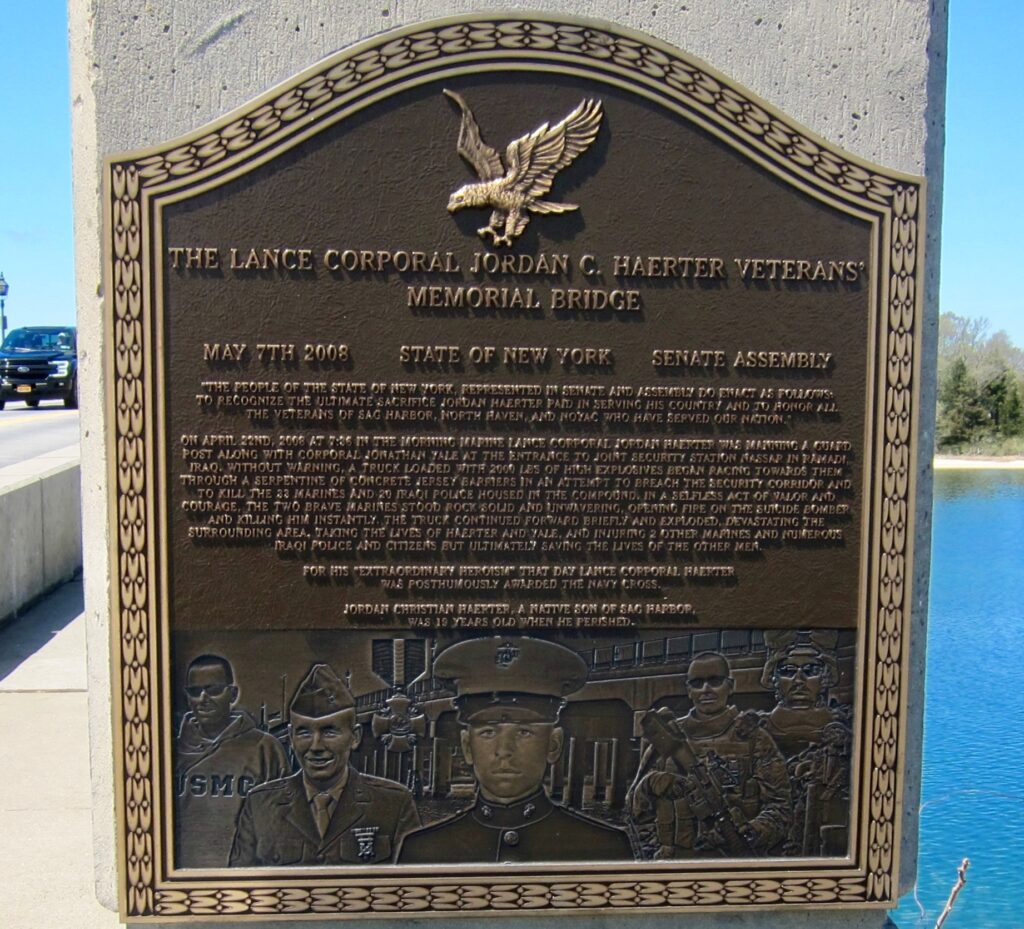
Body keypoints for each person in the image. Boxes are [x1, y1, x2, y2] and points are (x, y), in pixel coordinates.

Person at [397, 636, 633, 864]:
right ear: (467, 747)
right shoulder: (419, 851)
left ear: (554, 745)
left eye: (524, 732)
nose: (504, 750)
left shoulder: (610, 848)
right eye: (488, 732)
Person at [229, 663, 419, 866]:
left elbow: (419, 879)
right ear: (291, 738)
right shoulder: (259, 805)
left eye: (329, 732)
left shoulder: (394, 804)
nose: (316, 746)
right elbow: (239, 881)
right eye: (304, 733)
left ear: (355, 737)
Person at [628, 651, 791, 859]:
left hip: (732, 857)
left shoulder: (755, 738)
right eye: (697, 683)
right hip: (674, 861)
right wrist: (652, 784)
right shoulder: (667, 737)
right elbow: (633, 807)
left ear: (730, 686)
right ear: (689, 690)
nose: (706, 689)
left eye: (715, 681)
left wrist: (755, 830)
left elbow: (781, 806)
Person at [174, 653, 291, 868]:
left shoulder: (265, 748)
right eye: (195, 692)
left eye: (214, 690)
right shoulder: (172, 751)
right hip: (184, 876)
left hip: (248, 875)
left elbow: (286, 818)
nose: (203, 698)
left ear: (233, 694)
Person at [759, 630, 852, 856]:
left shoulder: (846, 730)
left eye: (810, 670)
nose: (799, 680)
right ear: (773, 677)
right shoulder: (754, 730)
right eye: (788, 671)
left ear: (826, 676)